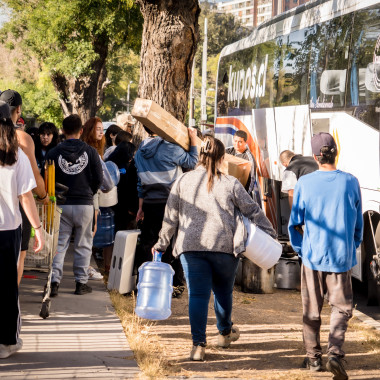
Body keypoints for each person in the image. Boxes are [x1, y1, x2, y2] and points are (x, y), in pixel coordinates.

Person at [153, 136, 276, 361]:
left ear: (199, 156)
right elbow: (253, 210)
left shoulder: (183, 181)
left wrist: (161, 243)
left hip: (190, 248)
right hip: (224, 248)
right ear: (221, 158)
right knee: (223, 292)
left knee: (197, 296)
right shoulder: (230, 183)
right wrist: (270, 233)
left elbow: (170, 218)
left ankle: (198, 346)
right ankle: (224, 333)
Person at [288, 133, 363, 379]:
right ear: (336, 153)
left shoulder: (304, 183)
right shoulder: (351, 182)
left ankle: (313, 360)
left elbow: (294, 223)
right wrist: (351, 246)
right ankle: (335, 353)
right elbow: (358, 225)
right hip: (341, 257)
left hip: (312, 255)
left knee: (311, 309)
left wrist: (302, 249)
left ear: (314, 157)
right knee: (341, 308)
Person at [0, 101, 44, 359]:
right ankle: (7, 343)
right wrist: (37, 228)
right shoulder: (16, 156)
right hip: (8, 229)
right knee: (7, 287)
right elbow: (26, 197)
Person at [135, 126, 198, 296]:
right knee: (173, 242)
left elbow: (140, 183)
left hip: (149, 203)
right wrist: (193, 139)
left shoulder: (140, 151)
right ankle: (174, 285)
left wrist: (141, 207)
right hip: (171, 203)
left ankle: (147, 281)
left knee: (149, 242)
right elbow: (192, 162)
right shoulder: (170, 148)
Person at [46, 114, 103, 296]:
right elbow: (99, 179)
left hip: (61, 204)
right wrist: (89, 193)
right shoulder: (91, 152)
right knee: (84, 244)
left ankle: (54, 282)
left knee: (59, 244)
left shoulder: (53, 152)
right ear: (81, 131)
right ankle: (81, 283)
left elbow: (45, 177)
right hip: (84, 204)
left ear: (62, 131)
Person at [0, 89, 49, 286]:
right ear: (18, 110)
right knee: (17, 259)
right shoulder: (21, 140)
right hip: (13, 217)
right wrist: (44, 196)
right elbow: (31, 184)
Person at [107, 141, 137, 232]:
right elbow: (132, 187)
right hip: (124, 204)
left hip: (109, 202)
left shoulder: (109, 163)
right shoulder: (130, 167)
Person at [226, 130, 258, 197]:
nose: (237, 144)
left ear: (245, 142)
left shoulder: (249, 158)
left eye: (240, 142)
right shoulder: (227, 151)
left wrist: (244, 196)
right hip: (228, 193)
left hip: (241, 196)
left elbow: (251, 180)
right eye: (235, 141)